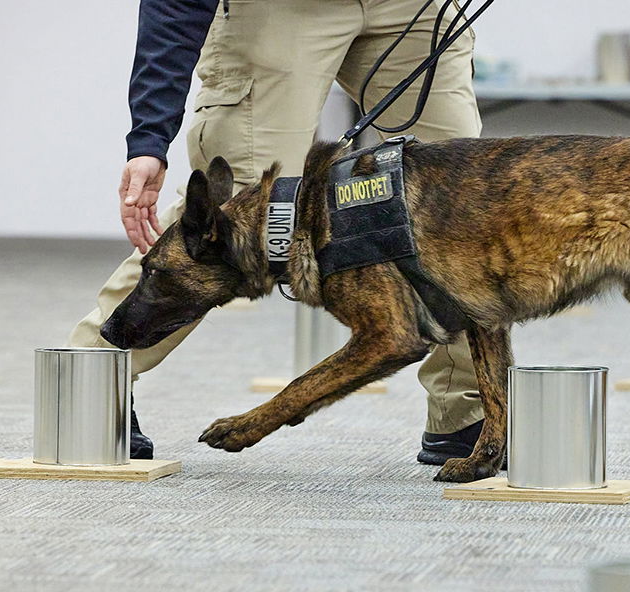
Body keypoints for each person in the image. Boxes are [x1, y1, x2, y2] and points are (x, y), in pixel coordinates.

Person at [68, 0, 485, 464]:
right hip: (278, 9)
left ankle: (468, 412)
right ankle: (89, 382)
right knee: (234, 215)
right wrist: (150, 136)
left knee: (461, 207)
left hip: (413, 8)